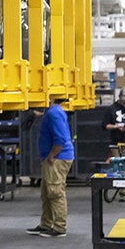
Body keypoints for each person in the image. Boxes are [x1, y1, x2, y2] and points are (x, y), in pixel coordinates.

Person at [27, 97, 74, 238]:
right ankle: (46, 224)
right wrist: (39, 115)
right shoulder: (51, 111)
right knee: (46, 193)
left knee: (55, 192)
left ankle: (60, 227)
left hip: (57, 158)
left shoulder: (54, 113)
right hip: (53, 157)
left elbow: (60, 139)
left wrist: (52, 156)